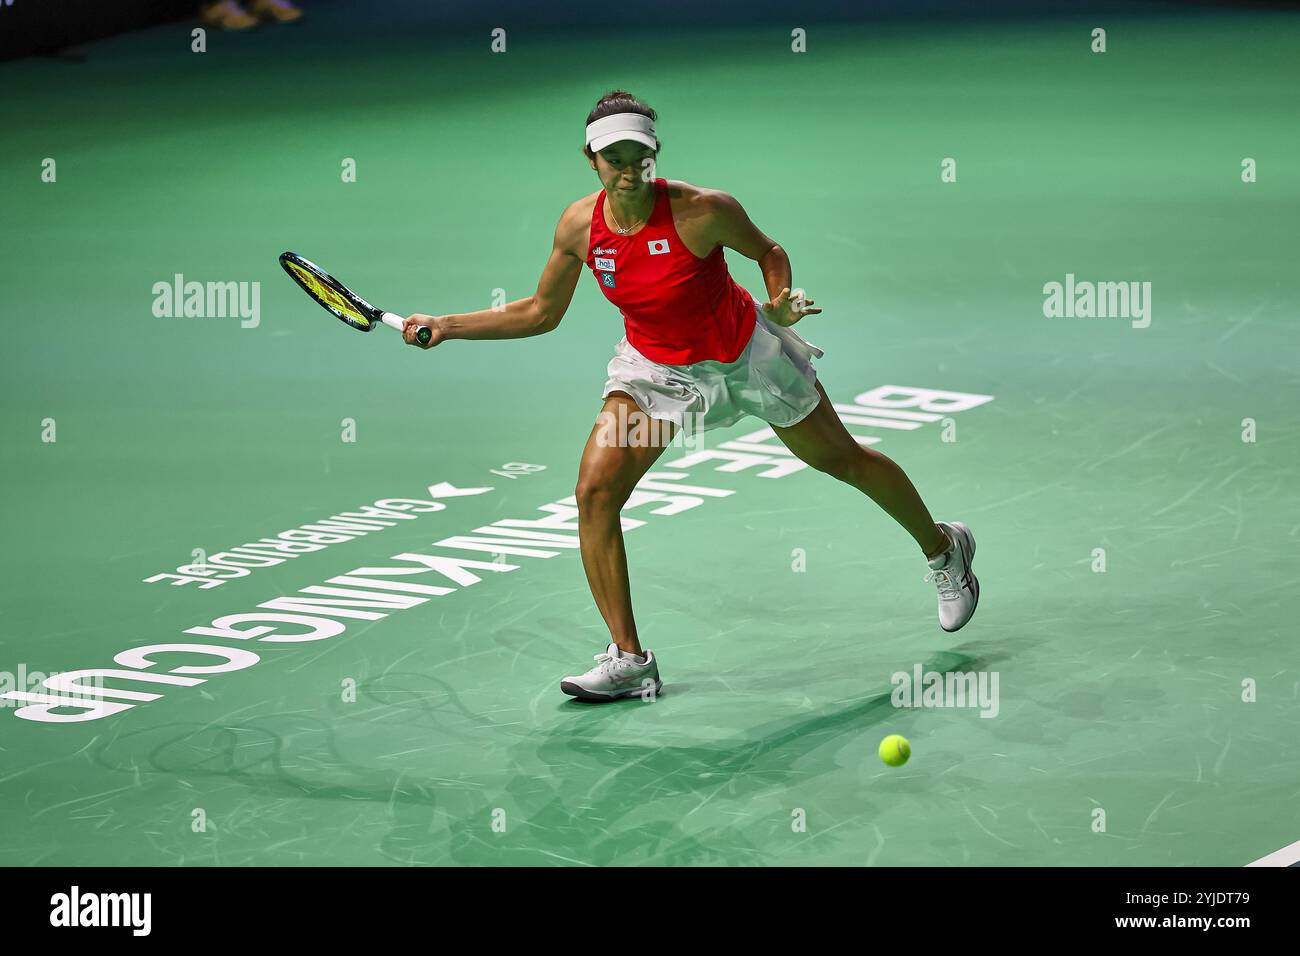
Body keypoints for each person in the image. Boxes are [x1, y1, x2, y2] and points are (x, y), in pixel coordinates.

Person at [402, 91, 979, 702]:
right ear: (590, 159)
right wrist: (448, 324)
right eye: (613, 159)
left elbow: (769, 252)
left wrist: (779, 300)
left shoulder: (703, 211)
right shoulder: (579, 226)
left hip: (743, 358)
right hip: (657, 375)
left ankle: (945, 550)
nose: (628, 172)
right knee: (595, 491)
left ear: (655, 156)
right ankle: (629, 659)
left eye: (639, 158)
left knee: (843, 461)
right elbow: (541, 312)